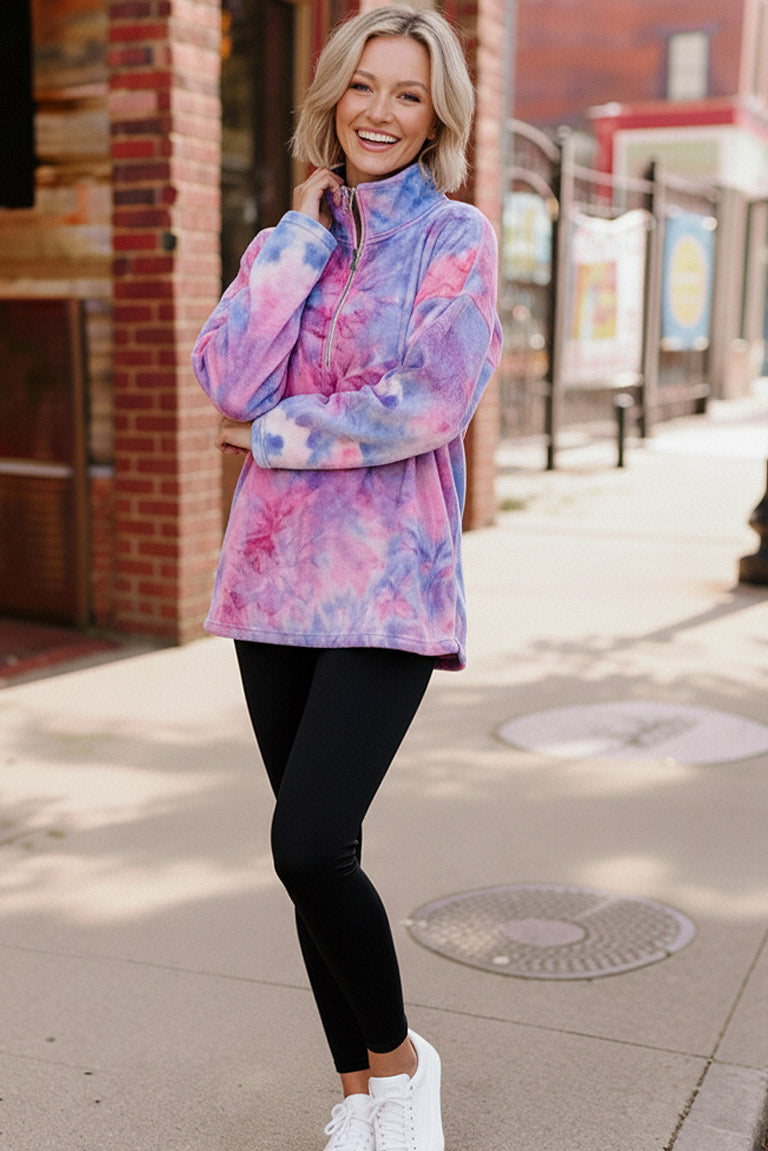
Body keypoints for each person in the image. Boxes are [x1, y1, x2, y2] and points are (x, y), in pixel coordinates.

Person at [191, 6, 501, 1149]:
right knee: (316, 863)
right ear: (332, 97)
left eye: (408, 94)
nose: (380, 111)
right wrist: (296, 239)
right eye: (364, 85)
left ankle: (407, 1062)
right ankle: (362, 1095)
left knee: (308, 840)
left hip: (388, 587)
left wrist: (277, 433)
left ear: (436, 117)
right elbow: (227, 377)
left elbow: (428, 403)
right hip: (272, 582)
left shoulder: (456, 238)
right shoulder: (293, 236)